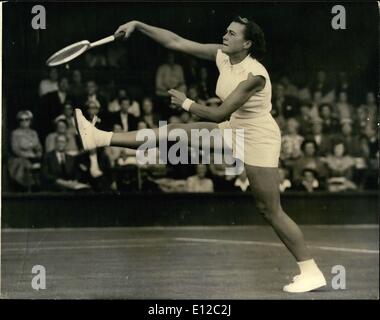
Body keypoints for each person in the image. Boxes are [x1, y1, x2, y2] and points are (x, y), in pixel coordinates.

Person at [74, 17, 326, 292]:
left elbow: (219, 113)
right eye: (226, 31)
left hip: (259, 138)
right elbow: (177, 42)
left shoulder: (255, 75)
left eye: (232, 33)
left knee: (270, 209)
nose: (225, 35)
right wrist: (139, 25)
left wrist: (186, 102)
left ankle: (310, 271)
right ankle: (100, 137)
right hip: (234, 129)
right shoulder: (222, 56)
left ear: (247, 43)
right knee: (173, 132)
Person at [8, 110, 43, 190]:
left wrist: (38, 153)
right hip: (21, 158)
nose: (24, 121)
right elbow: (15, 149)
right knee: (24, 165)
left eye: (26, 119)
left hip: (34, 158)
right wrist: (28, 155)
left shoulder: (34, 133)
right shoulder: (15, 133)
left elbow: (39, 147)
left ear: (30, 120)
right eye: (21, 119)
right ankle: (26, 188)